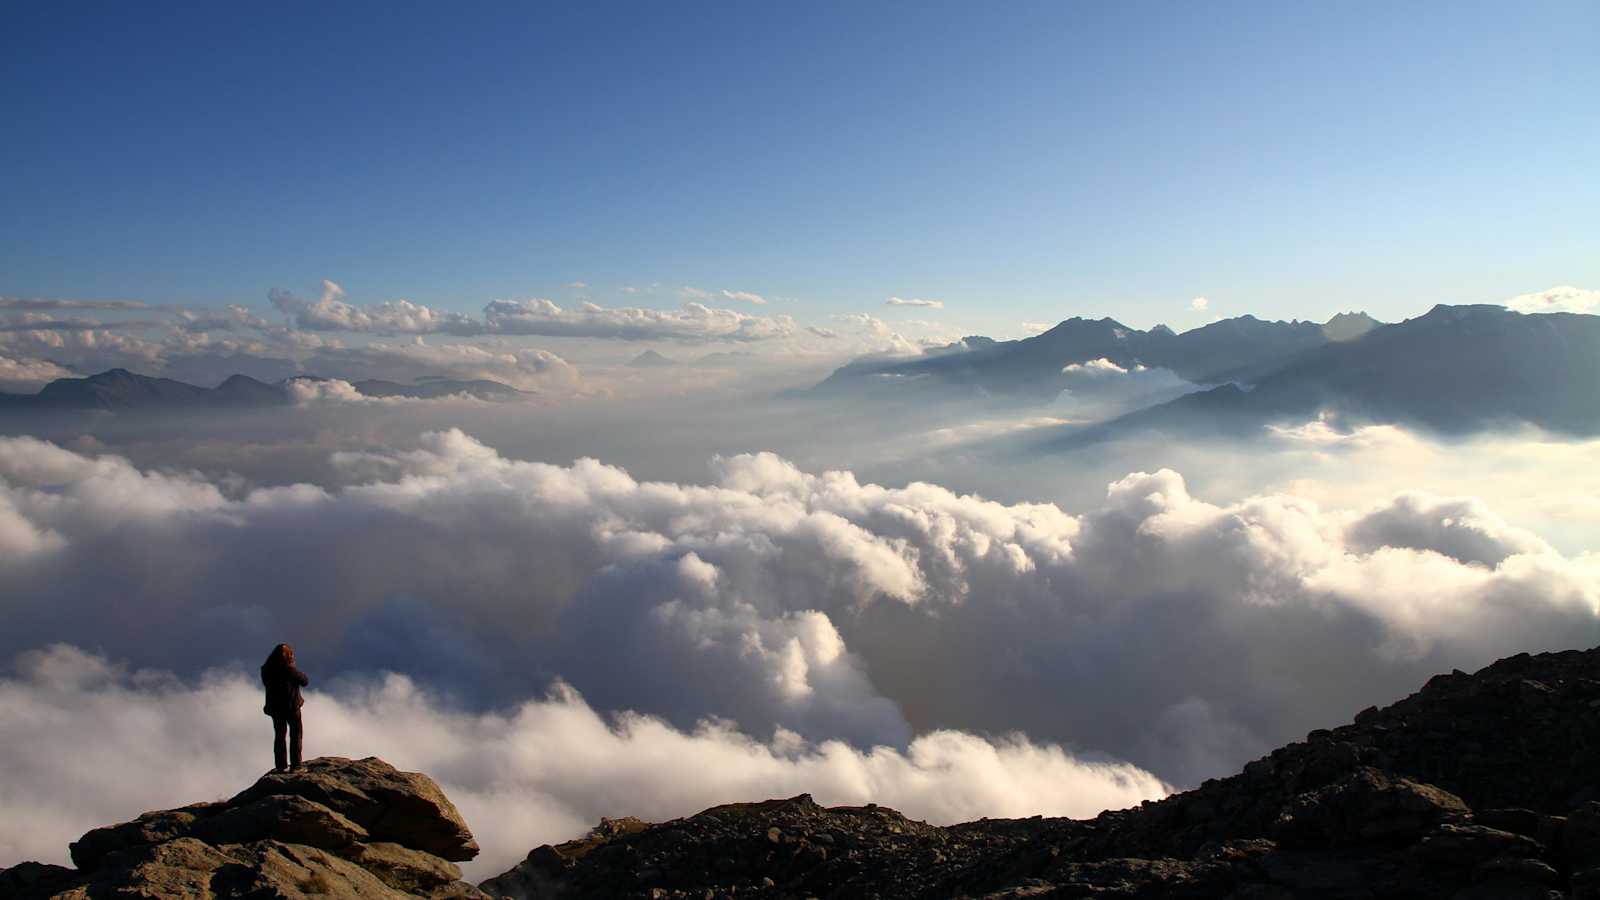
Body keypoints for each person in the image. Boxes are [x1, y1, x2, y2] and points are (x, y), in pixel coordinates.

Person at [261, 643, 309, 772]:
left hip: (275, 708)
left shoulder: (266, 670)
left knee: (279, 736)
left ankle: (280, 766)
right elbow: (305, 681)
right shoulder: (289, 670)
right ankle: (296, 766)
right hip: (291, 707)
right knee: (296, 735)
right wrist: (293, 666)